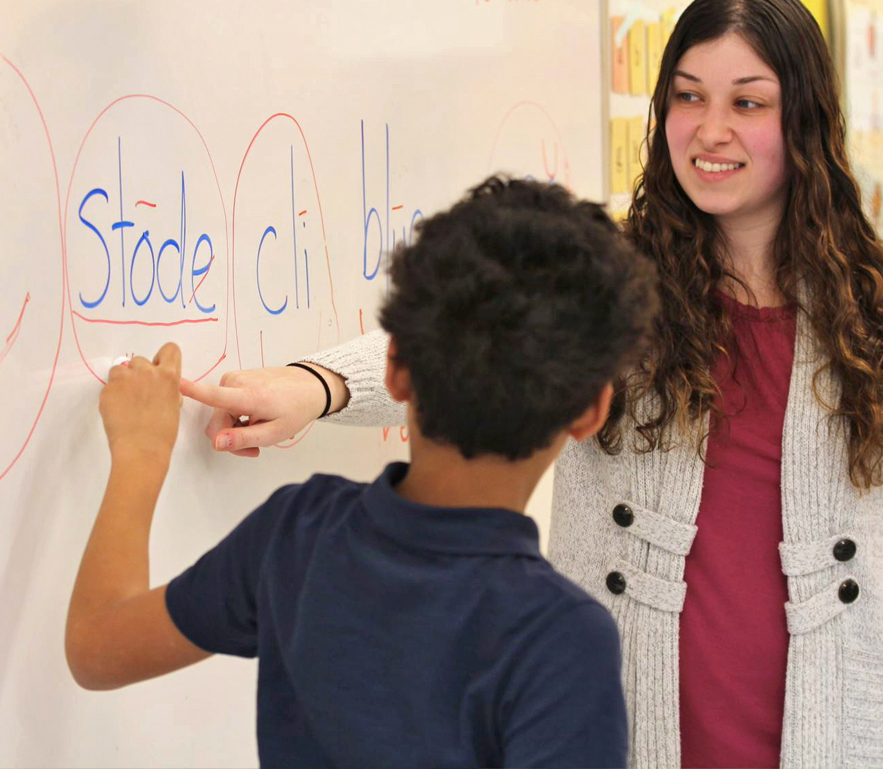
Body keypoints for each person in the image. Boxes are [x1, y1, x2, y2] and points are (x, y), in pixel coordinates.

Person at [184, 0, 883, 769]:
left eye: (749, 103)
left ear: (804, 119)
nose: (711, 131)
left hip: (838, 732)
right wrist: (318, 386)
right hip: (625, 726)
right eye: (689, 97)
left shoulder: (876, 309)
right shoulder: (618, 275)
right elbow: (477, 335)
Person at [66, 176, 659, 769]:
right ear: (592, 412)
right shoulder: (561, 639)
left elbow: (96, 647)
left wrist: (141, 453)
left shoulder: (296, 534)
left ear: (394, 369)